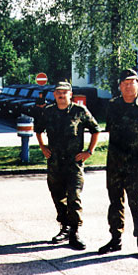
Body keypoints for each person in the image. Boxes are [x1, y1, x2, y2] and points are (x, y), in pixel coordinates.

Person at [98, 69, 138, 261]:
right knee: (115, 202)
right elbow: (110, 131)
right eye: (124, 83)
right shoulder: (113, 106)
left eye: (131, 82)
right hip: (115, 162)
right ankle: (115, 239)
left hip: (136, 163)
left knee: (137, 202)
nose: (127, 86)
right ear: (120, 86)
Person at [34, 82, 101, 250]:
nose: (61, 95)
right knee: (58, 197)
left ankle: (75, 232)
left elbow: (96, 130)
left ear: (71, 94)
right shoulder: (48, 111)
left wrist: (89, 152)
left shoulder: (80, 111)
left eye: (64, 92)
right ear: (54, 95)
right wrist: (43, 147)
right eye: (58, 92)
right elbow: (38, 129)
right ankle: (64, 227)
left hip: (74, 164)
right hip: (55, 163)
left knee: (74, 198)